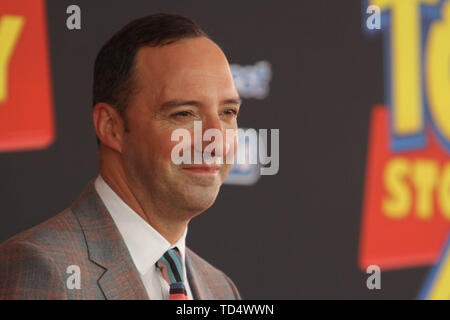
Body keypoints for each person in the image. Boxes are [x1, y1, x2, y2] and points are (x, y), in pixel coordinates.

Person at [0, 13, 242, 300]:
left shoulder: (219, 288)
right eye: (184, 114)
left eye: (228, 112)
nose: (215, 140)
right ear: (110, 127)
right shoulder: (44, 268)